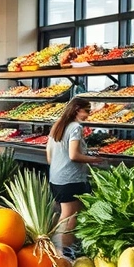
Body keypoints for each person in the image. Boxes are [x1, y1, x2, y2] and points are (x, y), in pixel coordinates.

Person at [47, 97, 103, 255]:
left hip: (56, 177)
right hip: (70, 179)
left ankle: (57, 248)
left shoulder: (58, 125)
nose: (88, 114)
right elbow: (73, 155)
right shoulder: (76, 127)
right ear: (77, 110)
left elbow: (49, 155)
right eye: (87, 111)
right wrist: (94, 160)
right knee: (70, 216)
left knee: (64, 214)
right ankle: (63, 252)